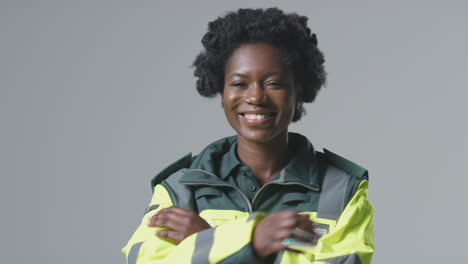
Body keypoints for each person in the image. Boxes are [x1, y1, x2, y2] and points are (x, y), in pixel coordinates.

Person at [122, 7, 374, 264]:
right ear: (221, 92)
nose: (255, 97)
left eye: (273, 83)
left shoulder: (342, 190)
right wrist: (251, 240)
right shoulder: (180, 188)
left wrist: (211, 239)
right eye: (240, 84)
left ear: (298, 93)